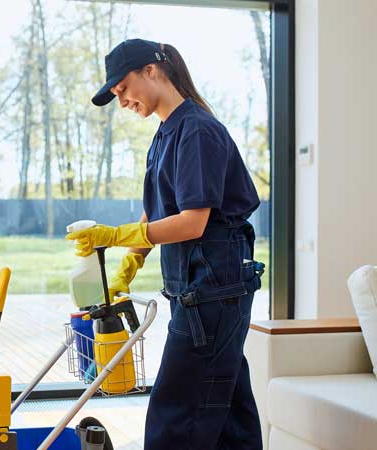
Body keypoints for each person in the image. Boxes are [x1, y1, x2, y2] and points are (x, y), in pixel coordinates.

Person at [67, 38, 264, 449]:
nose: (122, 101)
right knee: (226, 407)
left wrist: (115, 235)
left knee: (176, 413)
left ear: (151, 71)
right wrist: (127, 267)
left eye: (123, 89)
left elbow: (193, 222)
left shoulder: (196, 130)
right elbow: (157, 214)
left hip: (211, 291)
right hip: (200, 290)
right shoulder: (166, 133)